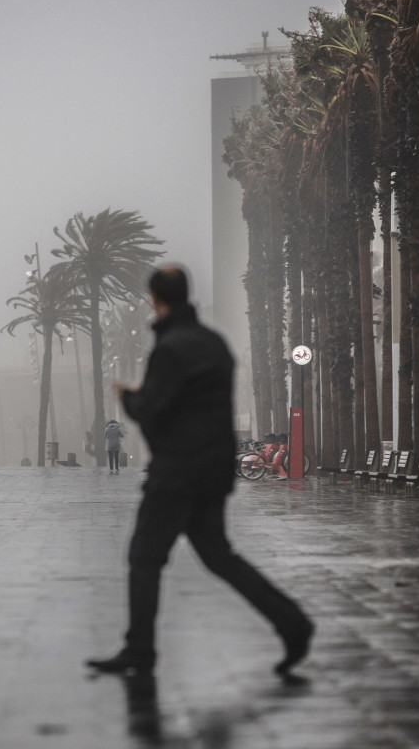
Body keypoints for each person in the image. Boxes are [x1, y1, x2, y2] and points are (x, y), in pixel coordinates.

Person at [87, 266, 313, 678]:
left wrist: (130, 399)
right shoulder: (214, 344)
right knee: (218, 556)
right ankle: (292, 622)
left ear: (156, 299)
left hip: (177, 473)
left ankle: (140, 650)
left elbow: (155, 412)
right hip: (212, 471)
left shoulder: (170, 348)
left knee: (145, 557)